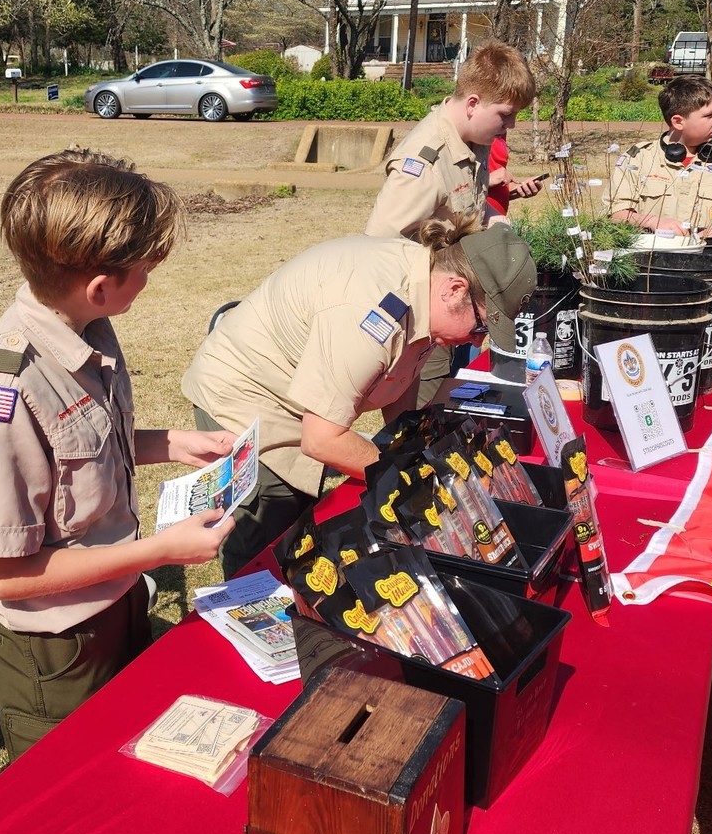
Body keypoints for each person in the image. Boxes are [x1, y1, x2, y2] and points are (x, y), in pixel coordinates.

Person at [0, 149, 236, 760]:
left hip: (116, 597)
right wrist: (161, 551)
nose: (150, 280)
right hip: (56, 648)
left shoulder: (84, 328)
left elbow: (80, 449)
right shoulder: (3, 392)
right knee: (75, 778)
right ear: (102, 286)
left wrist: (172, 443)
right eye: (145, 270)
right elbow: (6, 575)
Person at [181, 218, 536, 577]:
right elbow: (321, 439)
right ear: (454, 289)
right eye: (480, 327)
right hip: (247, 397)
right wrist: (412, 476)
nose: (478, 342)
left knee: (302, 527)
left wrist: (409, 449)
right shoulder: (371, 312)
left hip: (299, 400)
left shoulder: (427, 287)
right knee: (268, 544)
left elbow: (401, 383)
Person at [365, 41, 540, 404]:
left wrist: (499, 227)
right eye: (506, 114)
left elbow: (468, 211)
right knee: (420, 413)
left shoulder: (473, 141)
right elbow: (377, 249)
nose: (511, 125)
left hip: (456, 301)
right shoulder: (425, 164)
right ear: (473, 104)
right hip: (424, 316)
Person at [604, 75, 712, 238]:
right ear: (678, 122)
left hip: (706, 257)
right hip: (650, 259)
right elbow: (614, 214)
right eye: (710, 115)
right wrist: (651, 221)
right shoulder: (640, 157)